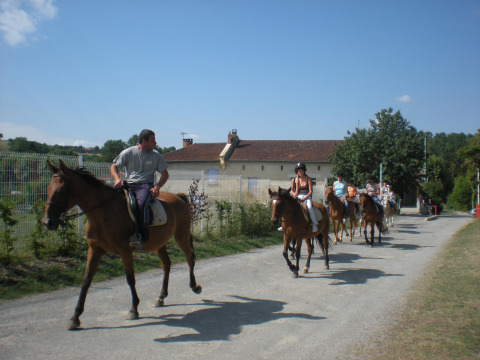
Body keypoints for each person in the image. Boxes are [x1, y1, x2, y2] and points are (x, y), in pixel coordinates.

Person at [110, 129, 169, 250]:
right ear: (144, 141)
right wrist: (117, 179)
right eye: (153, 140)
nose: (155, 142)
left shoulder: (156, 155)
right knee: (111, 202)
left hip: (144, 185)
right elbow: (114, 166)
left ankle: (141, 236)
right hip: (128, 184)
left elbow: (165, 174)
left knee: (141, 205)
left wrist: (157, 187)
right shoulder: (129, 152)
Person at [292, 162, 318, 232]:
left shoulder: (309, 179)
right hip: (299, 196)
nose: (300, 172)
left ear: (304, 171)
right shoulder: (297, 180)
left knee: (309, 207)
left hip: (307, 196)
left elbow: (310, 191)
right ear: (297, 172)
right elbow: (297, 191)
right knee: (291, 207)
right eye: (298, 171)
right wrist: (294, 196)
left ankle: (314, 223)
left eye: (301, 170)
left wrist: (305, 198)